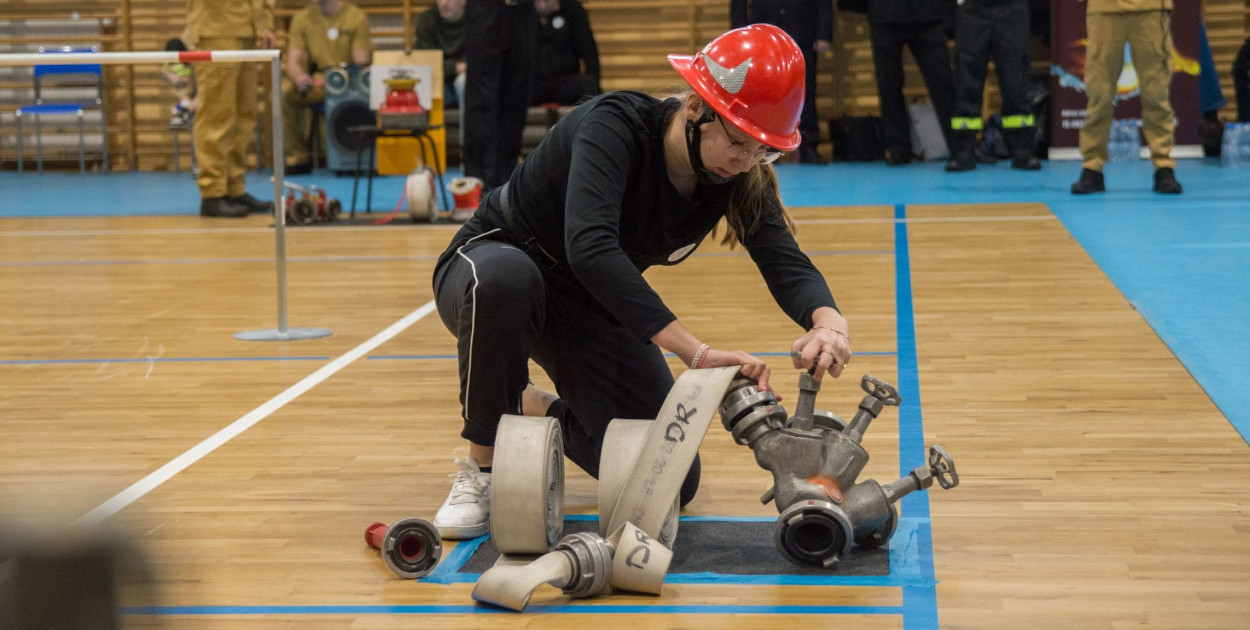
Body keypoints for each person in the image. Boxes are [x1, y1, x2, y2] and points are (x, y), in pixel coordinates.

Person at [429, 24, 853, 539]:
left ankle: (525, 402)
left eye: (764, 150)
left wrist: (828, 323)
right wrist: (694, 352)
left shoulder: (735, 174)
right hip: (493, 263)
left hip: (587, 301)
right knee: (508, 281)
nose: (746, 160)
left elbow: (783, 258)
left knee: (670, 478)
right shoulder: (614, 124)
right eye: (739, 141)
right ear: (697, 109)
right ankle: (482, 469)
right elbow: (591, 248)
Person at [1071, 0, 1182, 195]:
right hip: (1104, 8)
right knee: (1099, 94)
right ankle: (1092, 166)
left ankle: (1164, 165)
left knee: (1156, 94)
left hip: (1150, 8)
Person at [185, 0, 278, 218]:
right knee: (217, 115)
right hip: (216, 28)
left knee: (243, 117)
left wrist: (264, 24)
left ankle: (233, 188)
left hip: (248, 30)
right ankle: (213, 192)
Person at [730, 0, 833, 164]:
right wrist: (739, 31)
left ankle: (809, 146)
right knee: (764, 92)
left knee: (805, 92)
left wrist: (824, 33)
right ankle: (765, 147)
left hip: (802, 27)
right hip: (763, 29)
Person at [945, 0, 1041, 172]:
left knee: (1016, 81)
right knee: (967, 80)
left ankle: (1022, 150)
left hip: (1012, 8)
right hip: (971, 9)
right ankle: (963, 150)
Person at [282, 0, 373, 175]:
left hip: (348, 82)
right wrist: (299, 76)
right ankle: (297, 158)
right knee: (285, 93)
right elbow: (293, 61)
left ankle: (351, 157)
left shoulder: (356, 17)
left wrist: (335, 78)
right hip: (317, 83)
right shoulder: (302, 18)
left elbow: (361, 61)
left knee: (356, 96)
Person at [864, 0, 955, 165]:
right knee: (888, 85)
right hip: (885, 15)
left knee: (943, 83)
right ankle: (897, 148)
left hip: (926, 14)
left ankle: (960, 146)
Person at [462, 0, 538, 191]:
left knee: (517, 98)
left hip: (522, 11)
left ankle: (506, 184)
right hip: (487, 11)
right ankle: (477, 183)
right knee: (482, 101)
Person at [530, 0, 601, 106]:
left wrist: (594, 81)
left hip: (565, 79)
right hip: (533, 82)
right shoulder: (521, 13)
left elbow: (589, 51)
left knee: (589, 85)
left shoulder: (573, 10)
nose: (543, 5)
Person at [415, 0, 467, 108]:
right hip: (436, 81)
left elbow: (479, 59)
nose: (444, 3)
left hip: (465, 80)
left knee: (463, 83)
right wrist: (456, 67)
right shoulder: (426, 20)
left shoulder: (477, 20)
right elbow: (425, 62)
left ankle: (468, 125)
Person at [160, 38, 197, 129]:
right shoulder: (168, 64)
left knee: (187, 92)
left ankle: (188, 111)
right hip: (181, 89)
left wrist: (186, 79)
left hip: (193, 88)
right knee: (181, 92)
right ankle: (184, 112)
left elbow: (194, 77)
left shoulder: (190, 63)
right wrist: (174, 77)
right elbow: (164, 72)